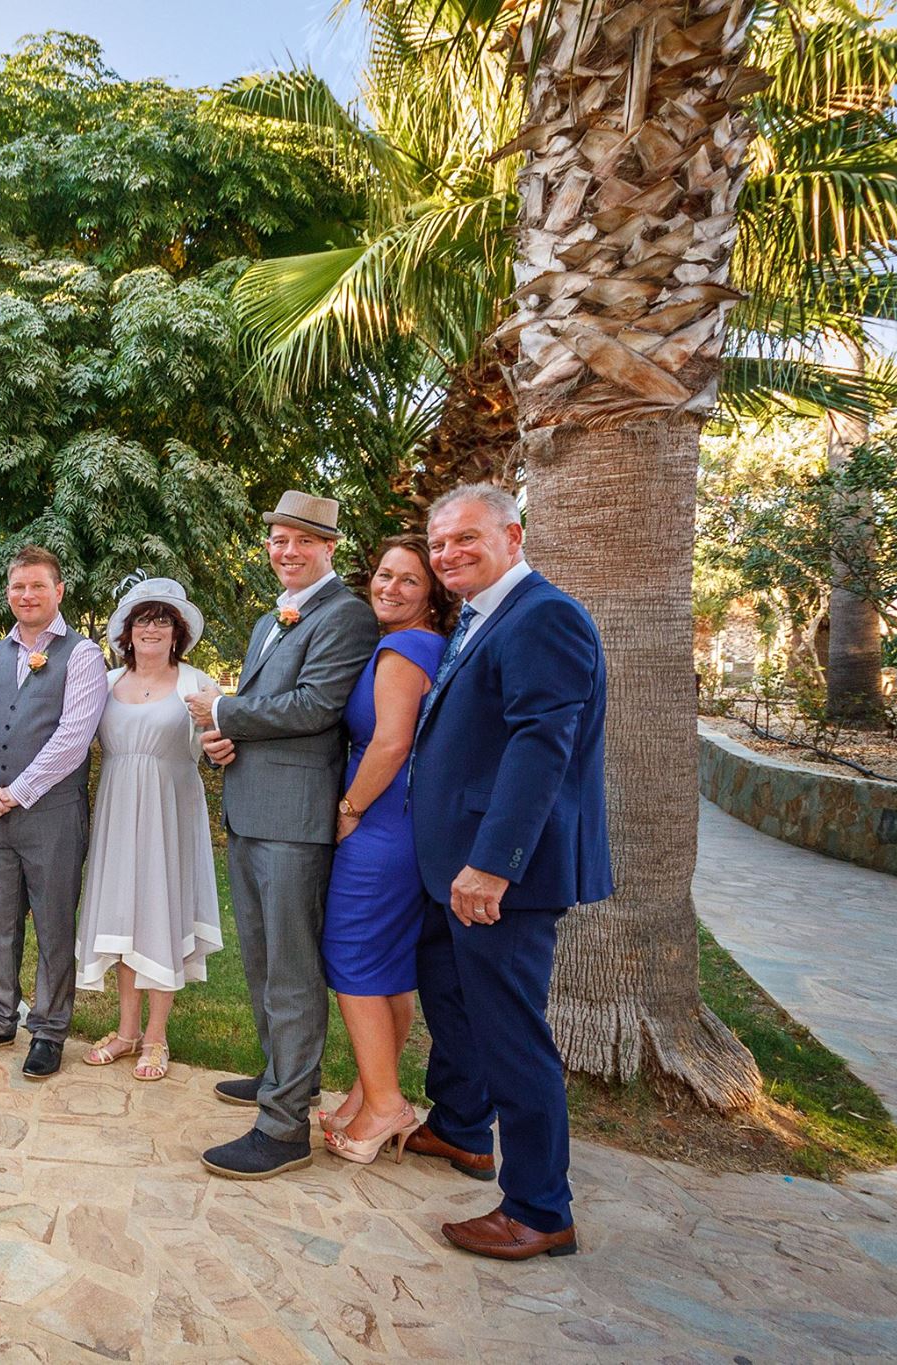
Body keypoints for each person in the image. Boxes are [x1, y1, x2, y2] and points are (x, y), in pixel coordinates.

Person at [407, 483, 609, 1261]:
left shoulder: (543, 616)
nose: (448, 553)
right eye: (439, 543)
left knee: (511, 1032)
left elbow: (539, 747)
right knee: (453, 1001)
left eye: (466, 537)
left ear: (513, 536)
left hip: (498, 879)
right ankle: (462, 1126)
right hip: (451, 868)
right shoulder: (481, 616)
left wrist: (492, 866)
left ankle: (538, 1207)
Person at [188, 490, 376, 1180]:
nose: (287, 550)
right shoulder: (273, 618)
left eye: (302, 540)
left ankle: (284, 1126)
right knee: (264, 964)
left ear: (329, 547)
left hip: (295, 822)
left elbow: (315, 706)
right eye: (278, 539)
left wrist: (223, 710)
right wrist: (223, 741)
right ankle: (283, 1077)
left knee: (292, 973)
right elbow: (266, 711)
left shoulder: (346, 615)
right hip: (252, 810)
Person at [317, 536, 451, 1165]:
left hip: (380, 826)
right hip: (407, 824)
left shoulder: (403, 650)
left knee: (351, 957)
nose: (389, 588)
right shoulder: (423, 644)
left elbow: (391, 743)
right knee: (389, 968)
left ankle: (387, 1103)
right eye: (383, 574)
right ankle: (368, 1094)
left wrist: (349, 810)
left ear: (432, 595)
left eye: (408, 581)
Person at [0, 545, 110, 1081]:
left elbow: (73, 738)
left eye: (37, 586)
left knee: (53, 924)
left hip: (52, 815)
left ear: (58, 591)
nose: (26, 595)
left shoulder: (83, 655)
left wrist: (15, 792)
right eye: (18, 586)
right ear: (8, 593)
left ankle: (48, 1029)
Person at [74, 576, 223, 1083]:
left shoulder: (196, 684)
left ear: (177, 632)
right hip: (118, 809)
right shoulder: (107, 684)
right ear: (128, 631)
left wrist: (218, 730)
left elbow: (221, 746)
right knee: (123, 915)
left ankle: (156, 1037)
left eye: (162, 621)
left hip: (169, 811)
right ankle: (127, 1032)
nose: (152, 629)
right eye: (143, 620)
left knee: (160, 912)